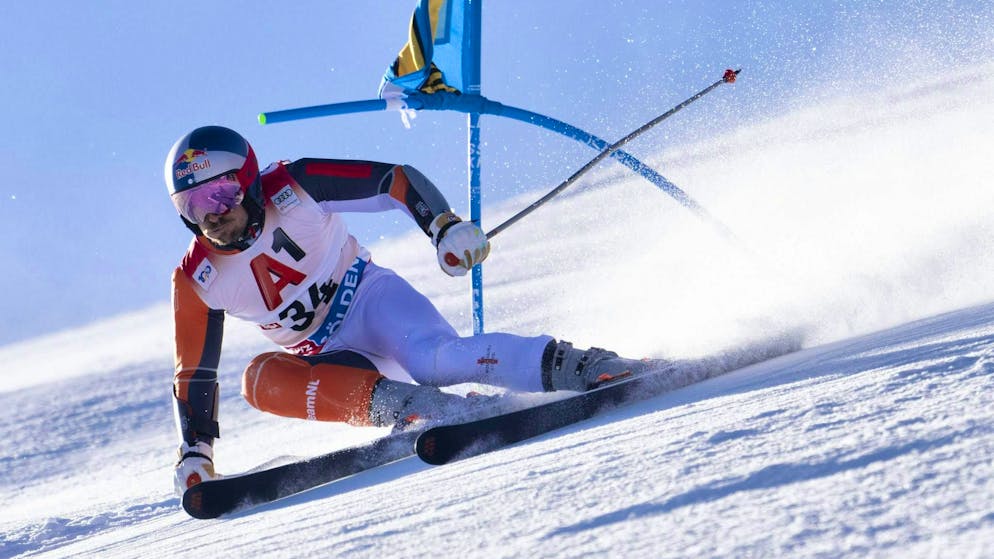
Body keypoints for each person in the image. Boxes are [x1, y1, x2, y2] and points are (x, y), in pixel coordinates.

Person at [166, 125, 653, 494]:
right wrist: (195, 452)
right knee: (257, 381)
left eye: (221, 193)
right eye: (192, 205)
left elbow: (393, 180)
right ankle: (421, 410)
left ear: (249, 182)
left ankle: (585, 365)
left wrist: (443, 226)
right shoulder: (196, 278)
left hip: (371, 302)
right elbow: (194, 373)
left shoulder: (295, 186)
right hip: (336, 362)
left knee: (433, 361)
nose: (212, 215)